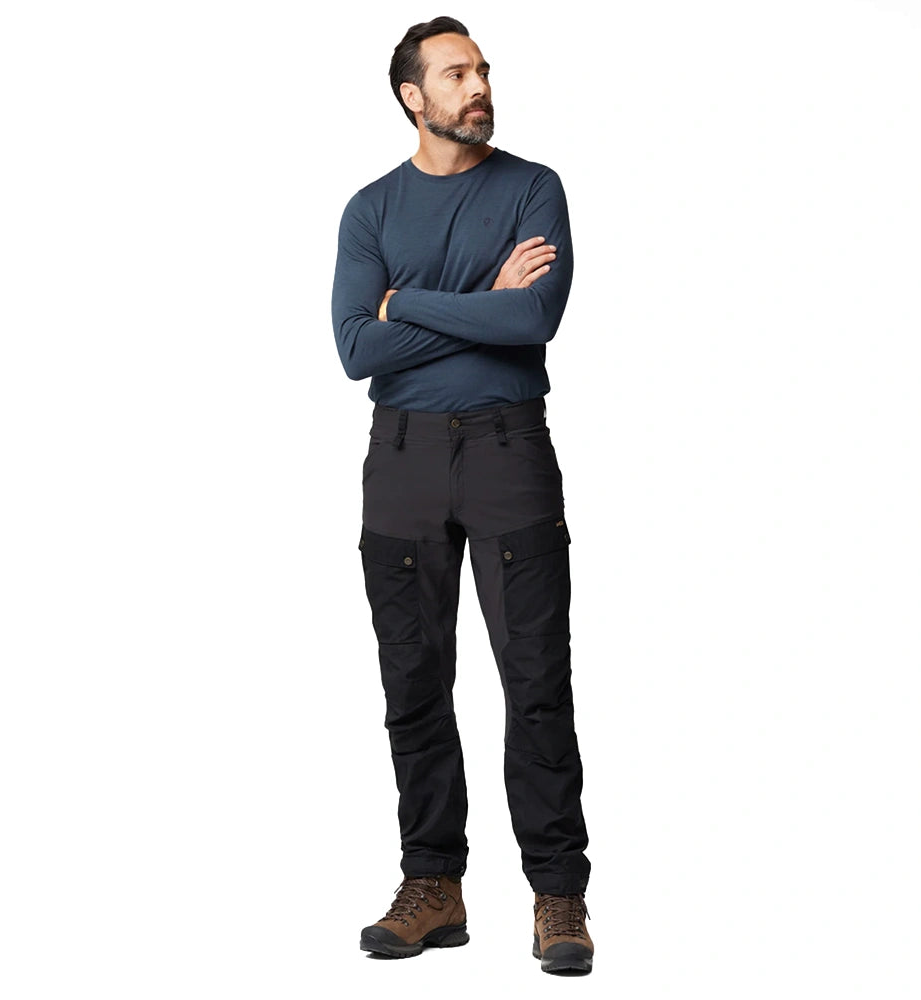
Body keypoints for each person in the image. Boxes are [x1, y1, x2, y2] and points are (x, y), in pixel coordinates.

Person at [331, 16, 593, 974]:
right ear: (413, 96)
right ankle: (433, 884)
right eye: (455, 74)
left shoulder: (532, 187)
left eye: (481, 69)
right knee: (413, 681)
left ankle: (558, 895)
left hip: (507, 448)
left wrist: (408, 302)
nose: (478, 85)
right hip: (400, 456)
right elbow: (354, 348)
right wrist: (483, 299)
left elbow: (534, 316)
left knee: (536, 679)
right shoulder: (370, 209)